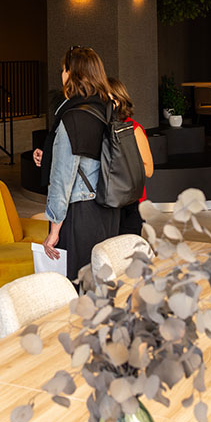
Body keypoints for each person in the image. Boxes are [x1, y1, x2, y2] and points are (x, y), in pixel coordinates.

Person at [40, 46, 121, 282]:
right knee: (101, 278)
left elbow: (62, 178)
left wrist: (54, 229)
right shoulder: (107, 108)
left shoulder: (73, 117)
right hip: (108, 206)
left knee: (77, 283)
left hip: (81, 212)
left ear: (73, 75)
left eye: (65, 70)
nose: (62, 75)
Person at [106, 77, 155, 236]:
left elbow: (148, 170)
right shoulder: (102, 129)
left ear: (118, 101)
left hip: (131, 202)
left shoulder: (134, 129)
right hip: (108, 201)